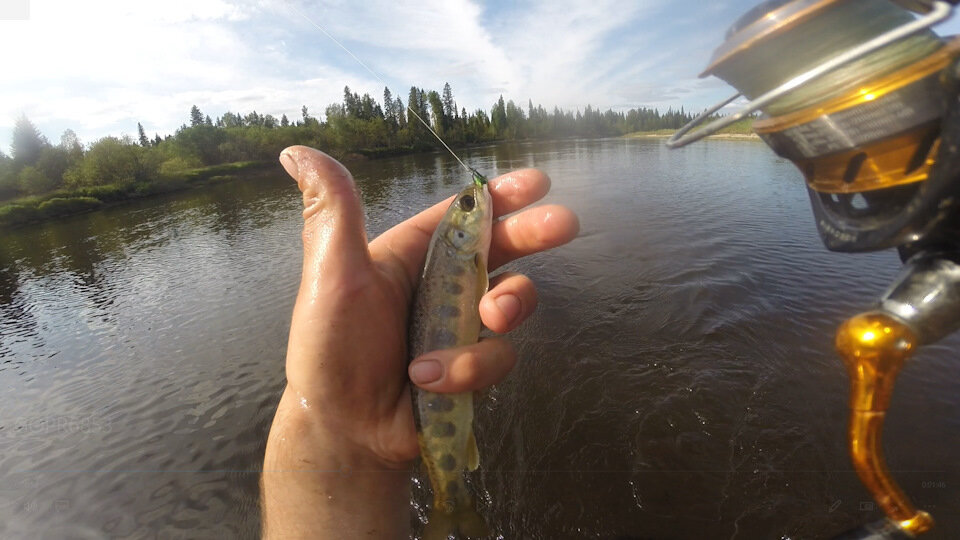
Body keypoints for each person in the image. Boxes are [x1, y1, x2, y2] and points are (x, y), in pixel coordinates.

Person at [261, 145, 580, 538]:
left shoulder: (465, 247)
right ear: (458, 233)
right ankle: (452, 501)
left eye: (466, 202)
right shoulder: (455, 251)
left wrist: (340, 441)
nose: (475, 199)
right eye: (468, 203)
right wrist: (330, 429)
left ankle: (452, 499)